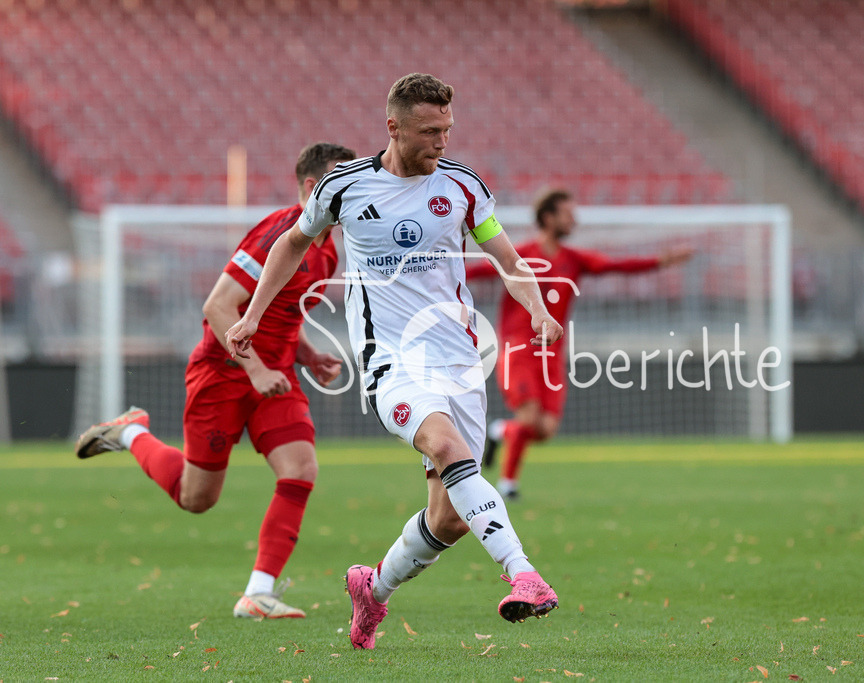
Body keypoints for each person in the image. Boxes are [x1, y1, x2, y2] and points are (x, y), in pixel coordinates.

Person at [225, 73, 563, 650]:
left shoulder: (463, 187)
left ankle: (373, 590)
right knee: (449, 449)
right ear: (394, 127)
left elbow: (504, 254)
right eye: (430, 131)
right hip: (393, 362)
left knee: (451, 516)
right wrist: (253, 315)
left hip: (460, 362)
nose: (442, 141)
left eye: (448, 129)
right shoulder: (345, 186)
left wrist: (536, 307)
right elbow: (291, 244)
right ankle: (523, 574)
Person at [74, 142, 356, 619]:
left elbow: (281, 312)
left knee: (301, 469)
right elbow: (219, 307)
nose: (356, 191)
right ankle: (131, 432)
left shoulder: (328, 248)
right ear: (314, 187)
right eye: (345, 181)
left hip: (275, 377)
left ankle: (258, 593)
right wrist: (256, 368)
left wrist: (306, 355)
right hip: (225, 372)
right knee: (196, 498)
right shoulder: (279, 233)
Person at [466, 188, 694, 500]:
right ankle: (507, 485)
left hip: (552, 356)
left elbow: (616, 265)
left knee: (545, 430)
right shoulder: (520, 257)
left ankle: (500, 431)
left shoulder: (574, 260)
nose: (575, 220)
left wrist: (659, 262)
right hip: (518, 351)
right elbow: (474, 271)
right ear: (549, 217)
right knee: (530, 418)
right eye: (568, 214)